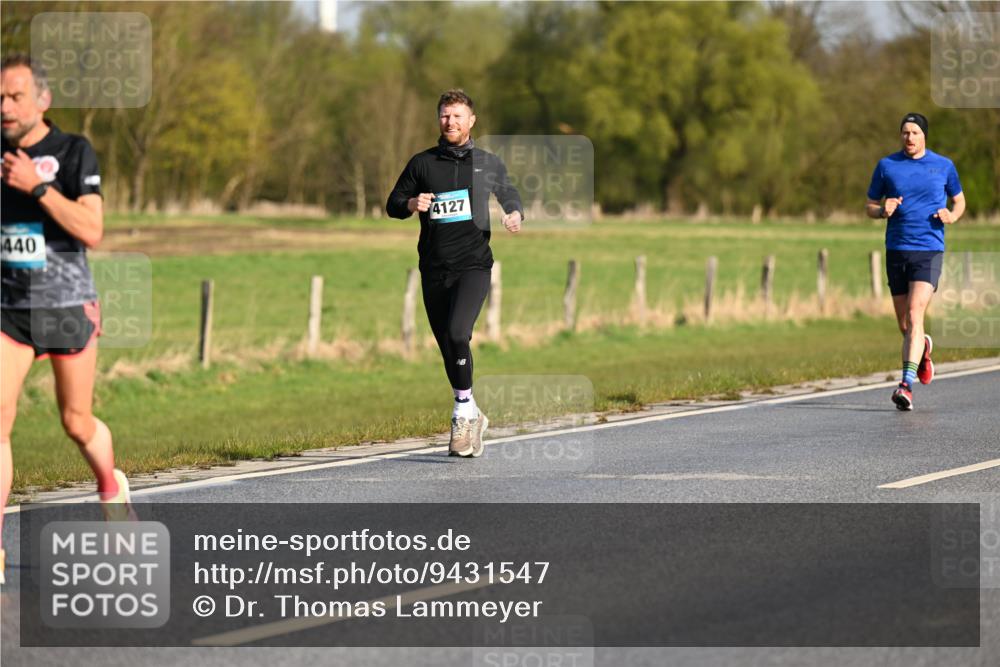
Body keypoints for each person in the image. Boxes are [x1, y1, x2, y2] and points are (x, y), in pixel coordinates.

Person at [1, 55, 136, 583]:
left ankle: (110, 488)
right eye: (0, 98)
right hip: (9, 308)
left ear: (42, 99)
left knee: (75, 421)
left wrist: (36, 185)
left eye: (15, 96)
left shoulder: (73, 150)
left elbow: (92, 229)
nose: (6, 107)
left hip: (66, 306)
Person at [386, 89, 523, 457]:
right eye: (445, 116)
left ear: (471, 120)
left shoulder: (487, 163)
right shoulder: (422, 164)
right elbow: (393, 203)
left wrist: (514, 213)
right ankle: (472, 411)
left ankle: (462, 414)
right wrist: (412, 202)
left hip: (473, 264)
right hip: (433, 267)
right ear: (438, 120)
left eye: (458, 116)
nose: (451, 122)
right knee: (448, 343)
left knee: (459, 331)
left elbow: (509, 192)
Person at [866, 112, 965, 411]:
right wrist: (883, 209)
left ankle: (905, 386)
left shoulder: (943, 166)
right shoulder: (887, 166)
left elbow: (959, 200)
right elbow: (869, 206)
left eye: (914, 132)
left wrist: (952, 215)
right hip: (897, 248)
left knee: (915, 311)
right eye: (905, 133)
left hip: (929, 249)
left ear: (924, 136)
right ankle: (922, 352)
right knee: (905, 325)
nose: (909, 137)